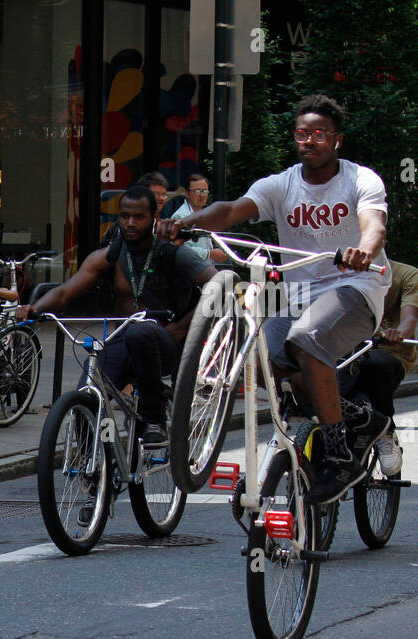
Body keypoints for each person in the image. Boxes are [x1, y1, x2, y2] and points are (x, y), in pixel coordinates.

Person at [160, 93, 392, 505]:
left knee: (306, 338)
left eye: (319, 134)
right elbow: (231, 210)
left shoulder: (361, 180)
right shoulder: (281, 185)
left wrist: (364, 251)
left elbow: (372, 225)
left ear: (337, 140)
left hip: (356, 288)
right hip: (302, 295)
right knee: (260, 358)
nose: (309, 141)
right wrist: (189, 222)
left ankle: (340, 455)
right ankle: (359, 418)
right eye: (302, 133)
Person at [20, 185, 216, 447]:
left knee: (141, 329)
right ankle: (95, 471)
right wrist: (35, 308)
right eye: (124, 216)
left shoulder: (171, 253)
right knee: (86, 397)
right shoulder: (111, 253)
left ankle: (154, 418)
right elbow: (66, 291)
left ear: (153, 218)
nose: (130, 223)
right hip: (122, 341)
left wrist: (181, 327)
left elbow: (219, 285)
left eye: (139, 217)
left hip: (164, 344)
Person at [338, 259, 418, 476]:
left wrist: (400, 332)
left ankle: (386, 432)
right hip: (344, 350)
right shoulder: (339, 271)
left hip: (389, 352)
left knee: (375, 364)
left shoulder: (407, 274)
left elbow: (410, 316)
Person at [170, 173, 226, 263]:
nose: (202, 195)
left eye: (205, 191)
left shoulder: (205, 215)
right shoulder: (180, 217)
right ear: (187, 193)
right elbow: (180, 249)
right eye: (197, 191)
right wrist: (210, 254)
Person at [101, 171, 169, 245]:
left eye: (163, 194)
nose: (161, 198)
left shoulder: (166, 226)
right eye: (156, 194)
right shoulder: (118, 227)